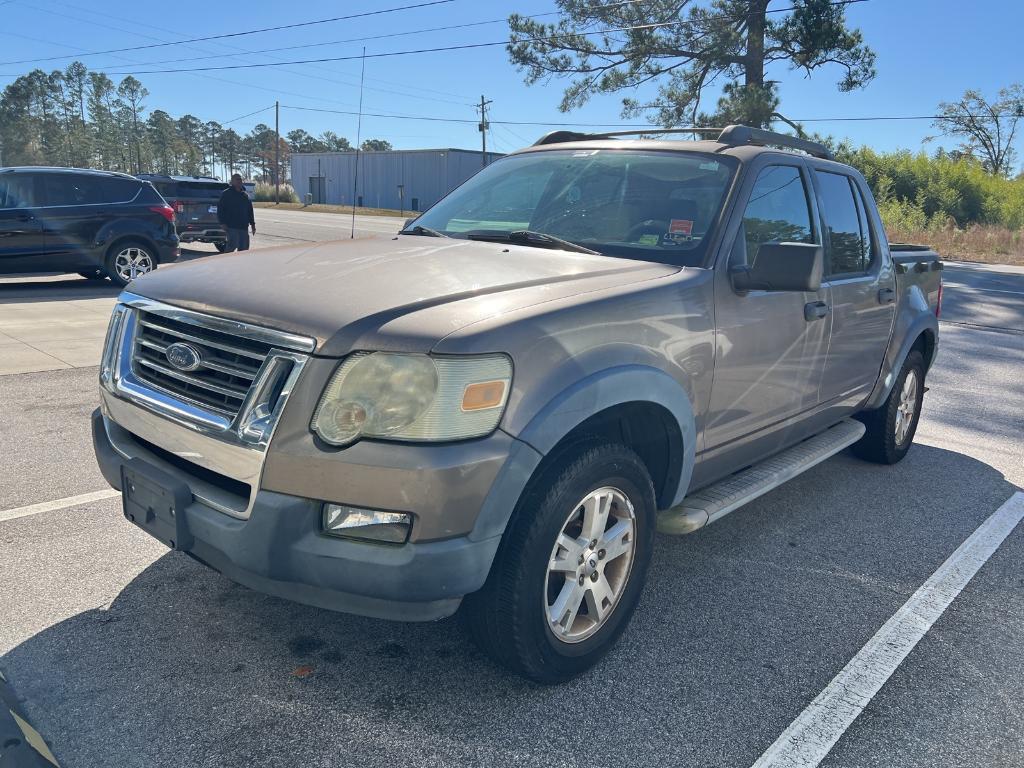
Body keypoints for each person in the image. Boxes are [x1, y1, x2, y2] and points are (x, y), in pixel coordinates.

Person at [217, 174, 256, 252]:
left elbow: (250, 211)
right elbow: (220, 209)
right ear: (232, 181)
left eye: (240, 179)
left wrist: (253, 224)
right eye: (237, 179)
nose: (239, 181)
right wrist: (222, 223)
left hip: (243, 227)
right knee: (232, 246)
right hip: (231, 226)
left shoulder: (245, 195)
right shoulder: (226, 194)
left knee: (244, 248)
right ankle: (226, 262)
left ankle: (241, 263)